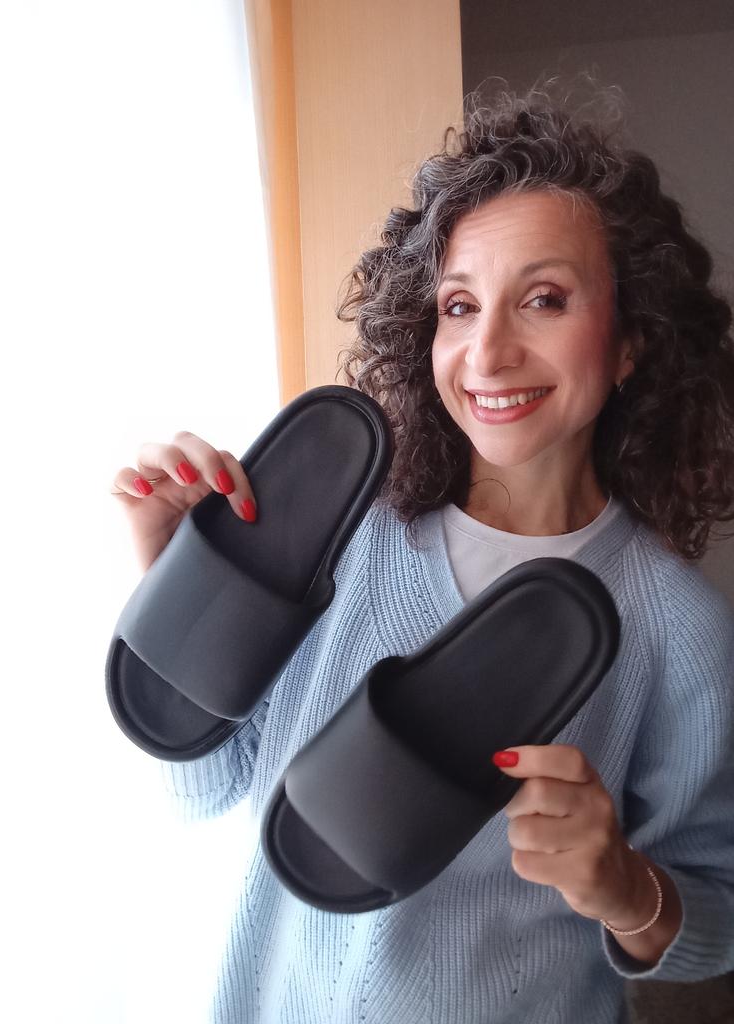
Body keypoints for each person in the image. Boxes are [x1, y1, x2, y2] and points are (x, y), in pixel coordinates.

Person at [110, 75, 734, 1024]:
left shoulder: (676, 629)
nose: (487, 353)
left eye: (544, 299)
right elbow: (206, 791)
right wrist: (179, 598)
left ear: (629, 341)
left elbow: (717, 919)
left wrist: (621, 884)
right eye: (457, 306)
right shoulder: (336, 534)